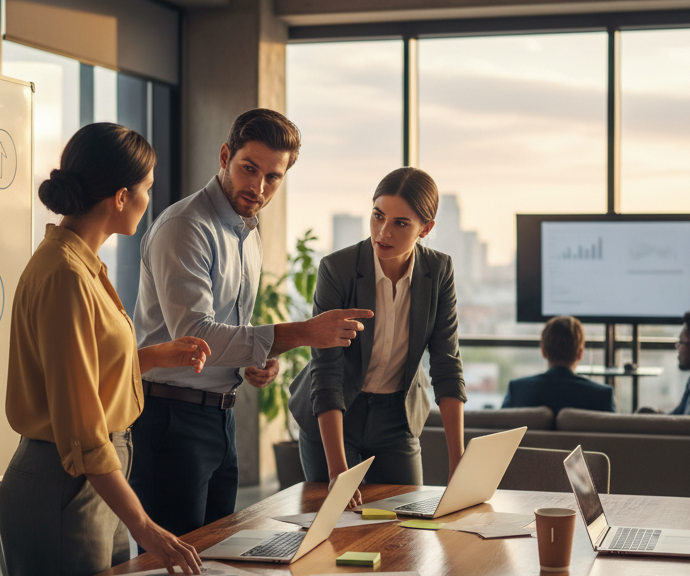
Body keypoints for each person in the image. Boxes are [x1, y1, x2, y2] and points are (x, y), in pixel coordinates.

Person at [131, 108, 371, 538]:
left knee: (217, 555)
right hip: (169, 421)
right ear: (225, 155)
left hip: (220, 418)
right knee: (171, 561)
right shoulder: (186, 227)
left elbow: (229, 330)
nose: (258, 187)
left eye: (273, 177)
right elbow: (197, 337)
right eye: (249, 168)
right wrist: (302, 333)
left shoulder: (247, 233)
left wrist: (254, 362)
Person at [0, 123, 207, 576]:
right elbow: (82, 424)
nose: (149, 202)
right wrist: (144, 525)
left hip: (94, 480)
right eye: (147, 189)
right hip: (65, 483)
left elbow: (82, 371)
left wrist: (153, 357)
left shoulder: (79, 264)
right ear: (119, 197)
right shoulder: (66, 276)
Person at [288, 167, 467, 507]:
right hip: (334, 412)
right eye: (378, 216)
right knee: (334, 527)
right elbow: (326, 371)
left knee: (407, 528)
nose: (383, 232)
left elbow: (446, 363)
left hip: (397, 417)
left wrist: (458, 459)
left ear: (425, 229)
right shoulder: (337, 270)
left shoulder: (439, 271)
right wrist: (338, 468)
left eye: (401, 223)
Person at [502, 315, 614, 413]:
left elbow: (500, 433)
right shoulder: (603, 396)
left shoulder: (517, 390)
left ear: (543, 351)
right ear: (580, 353)